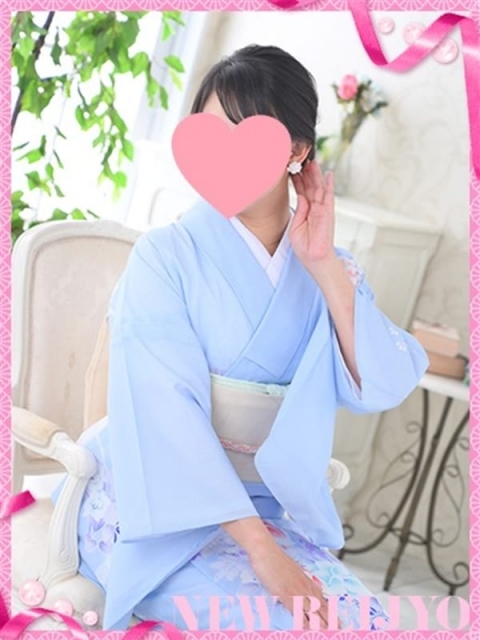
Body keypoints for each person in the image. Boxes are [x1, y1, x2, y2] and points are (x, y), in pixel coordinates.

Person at [52, 44, 429, 632]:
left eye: (245, 135)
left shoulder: (327, 268)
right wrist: (261, 552)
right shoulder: (164, 256)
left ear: (297, 150)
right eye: (211, 134)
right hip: (150, 504)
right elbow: (164, 414)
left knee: (365, 624)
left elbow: (382, 384)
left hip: (265, 509)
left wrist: (326, 267)